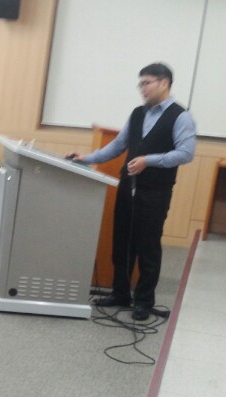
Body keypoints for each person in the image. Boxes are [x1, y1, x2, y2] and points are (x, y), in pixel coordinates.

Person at [67, 63, 196, 321]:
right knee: (122, 242)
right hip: (128, 186)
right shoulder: (138, 113)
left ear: (164, 83)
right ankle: (120, 293)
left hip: (155, 191)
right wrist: (87, 158)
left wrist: (149, 160)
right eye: (140, 84)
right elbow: (118, 145)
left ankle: (144, 301)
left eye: (147, 83)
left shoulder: (180, 116)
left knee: (147, 246)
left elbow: (185, 153)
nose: (142, 89)